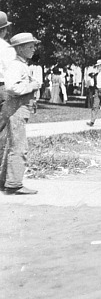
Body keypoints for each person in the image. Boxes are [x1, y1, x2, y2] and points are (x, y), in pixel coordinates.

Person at [0, 33, 41, 194]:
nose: (33, 49)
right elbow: (11, 87)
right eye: (30, 46)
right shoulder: (16, 66)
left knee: (14, 145)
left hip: (21, 108)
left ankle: (5, 180)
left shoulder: (22, 65)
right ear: (20, 48)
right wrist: (31, 87)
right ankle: (14, 184)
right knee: (19, 146)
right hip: (15, 109)